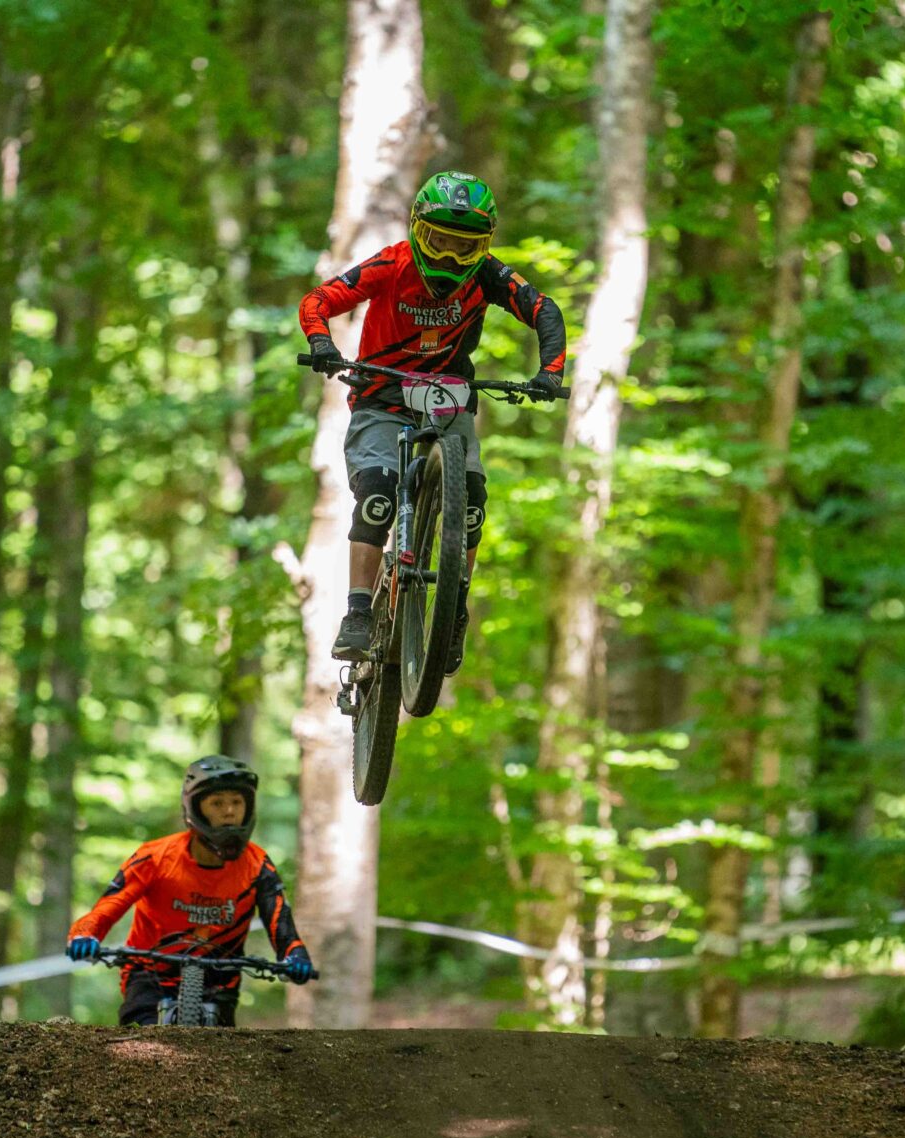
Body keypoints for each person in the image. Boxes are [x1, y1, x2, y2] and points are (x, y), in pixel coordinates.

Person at [299, 169, 567, 670]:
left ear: (482, 246)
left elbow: (544, 311)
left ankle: (453, 610)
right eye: (439, 242)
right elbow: (319, 300)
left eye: (464, 248)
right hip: (382, 396)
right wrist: (322, 343)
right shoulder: (391, 263)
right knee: (378, 493)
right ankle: (358, 612)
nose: (448, 258)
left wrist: (550, 373)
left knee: (473, 503)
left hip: (450, 397)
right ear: (418, 230)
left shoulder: (487, 275)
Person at [65, 755, 313, 1027]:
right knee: (139, 1040)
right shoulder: (155, 858)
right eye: (217, 803)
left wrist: (294, 953)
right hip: (149, 973)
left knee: (222, 1049)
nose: (229, 811)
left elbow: (279, 921)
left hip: (220, 978)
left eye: (237, 802)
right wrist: (84, 934)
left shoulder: (257, 866)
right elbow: (107, 907)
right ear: (195, 807)